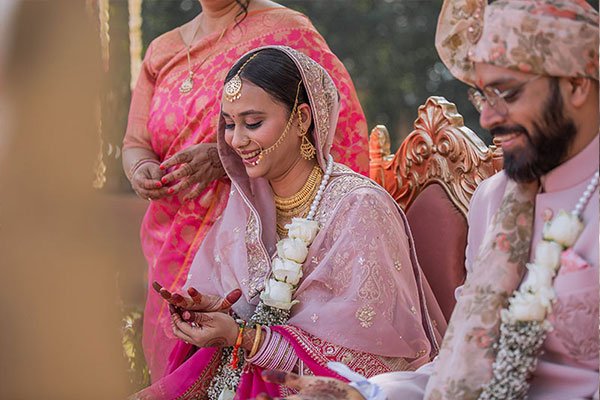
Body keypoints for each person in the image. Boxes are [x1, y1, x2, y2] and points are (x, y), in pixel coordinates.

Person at [255, 0, 600, 399]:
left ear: (576, 84)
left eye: (507, 93)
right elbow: (459, 365)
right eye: (482, 97)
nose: (488, 118)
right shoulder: (495, 199)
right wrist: (366, 393)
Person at [131, 46, 446, 400]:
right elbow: (242, 308)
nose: (236, 140)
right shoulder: (248, 204)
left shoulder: (358, 208)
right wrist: (211, 310)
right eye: (230, 124)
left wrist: (243, 338)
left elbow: (374, 367)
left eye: (253, 123)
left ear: (302, 119)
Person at [122, 0, 370, 381]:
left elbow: (335, 123)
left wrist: (226, 159)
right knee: (179, 366)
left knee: (240, 369)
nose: (238, 133)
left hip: (258, 241)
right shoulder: (162, 50)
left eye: (250, 122)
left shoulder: (288, 29)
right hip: (170, 244)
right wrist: (141, 168)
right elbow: (135, 141)